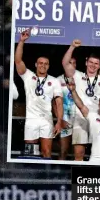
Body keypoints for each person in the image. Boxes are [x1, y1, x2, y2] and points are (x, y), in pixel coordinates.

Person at [15, 29, 63, 159]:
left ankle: (46, 177)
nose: (43, 66)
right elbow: (18, 61)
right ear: (36, 64)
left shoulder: (54, 81)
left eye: (46, 64)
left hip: (46, 120)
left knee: (46, 152)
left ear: (48, 66)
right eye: (41, 63)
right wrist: (21, 41)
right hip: (31, 120)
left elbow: (58, 102)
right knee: (30, 153)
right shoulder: (28, 76)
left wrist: (59, 122)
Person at [62, 41, 100, 161]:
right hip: (80, 119)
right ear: (86, 62)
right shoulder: (77, 75)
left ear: (99, 66)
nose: (93, 65)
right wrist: (72, 46)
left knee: (99, 154)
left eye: (96, 64)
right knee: (79, 154)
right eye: (91, 62)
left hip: (97, 119)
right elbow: (65, 63)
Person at [57, 72, 76, 160]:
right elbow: (54, 102)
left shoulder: (81, 78)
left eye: (74, 63)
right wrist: (60, 120)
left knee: (77, 152)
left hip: (79, 120)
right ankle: (58, 173)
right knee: (63, 151)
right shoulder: (58, 80)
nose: (71, 65)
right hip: (65, 119)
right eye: (69, 62)